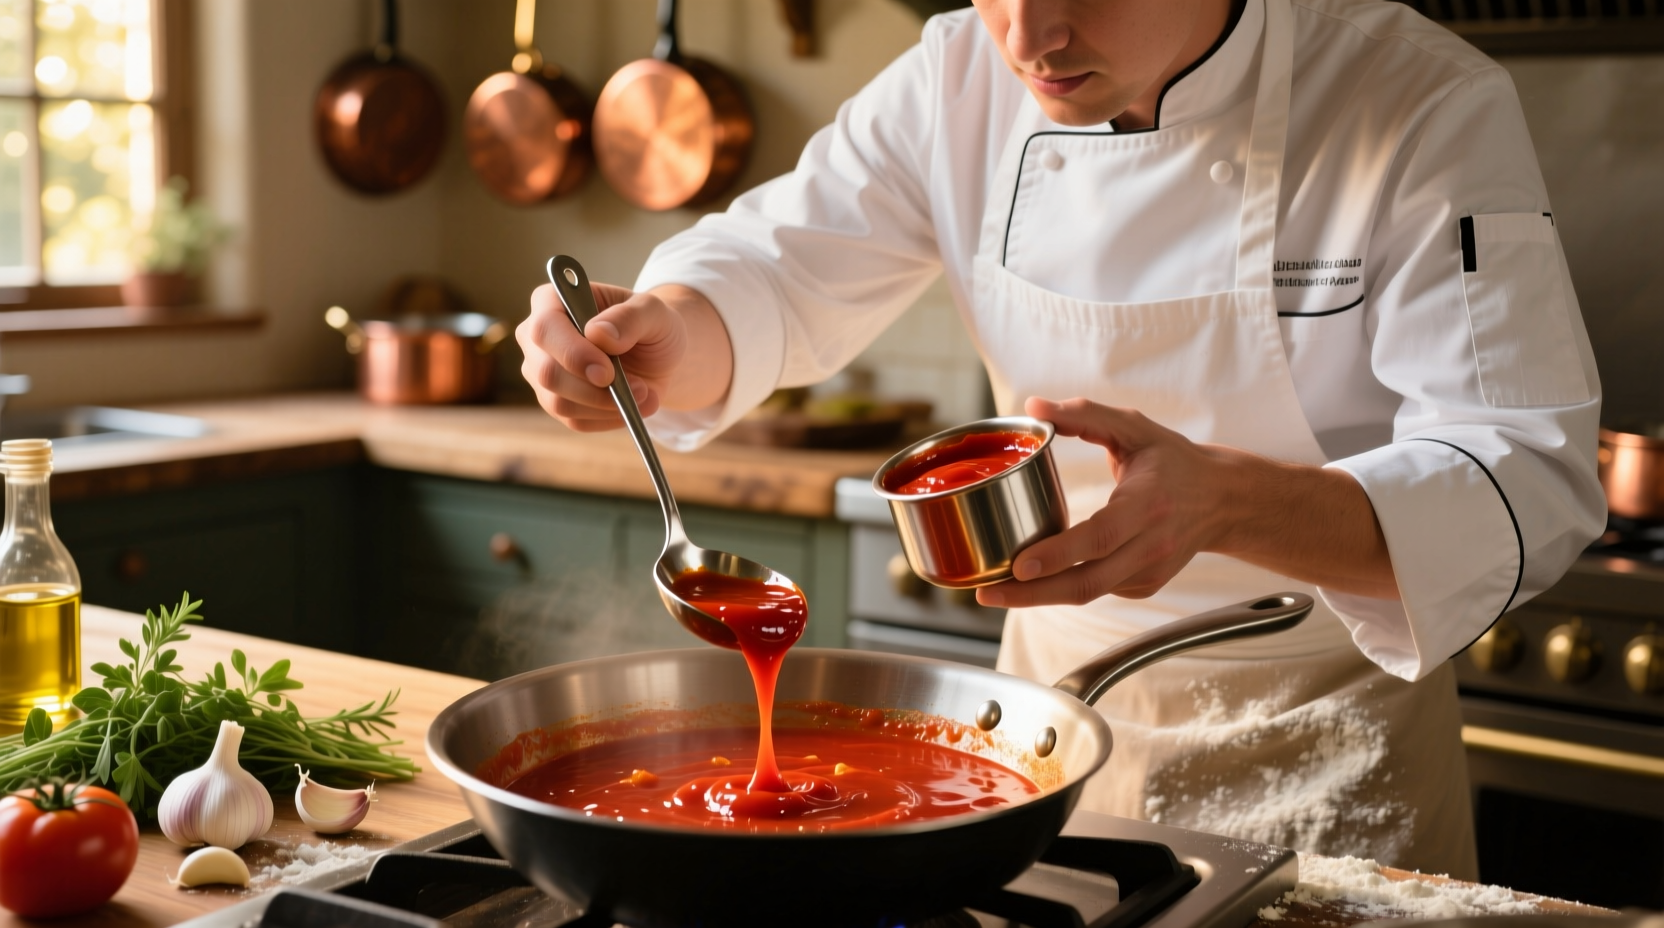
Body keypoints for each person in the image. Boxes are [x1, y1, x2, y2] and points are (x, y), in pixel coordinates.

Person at [517, 0, 1604, 877]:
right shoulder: (956, 78)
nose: (1030, 36)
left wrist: (1228, 503)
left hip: (1336, 747)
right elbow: (778, 269)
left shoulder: (1416, 98)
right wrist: (669, 335)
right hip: (1051, 746)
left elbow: (1524, 472)